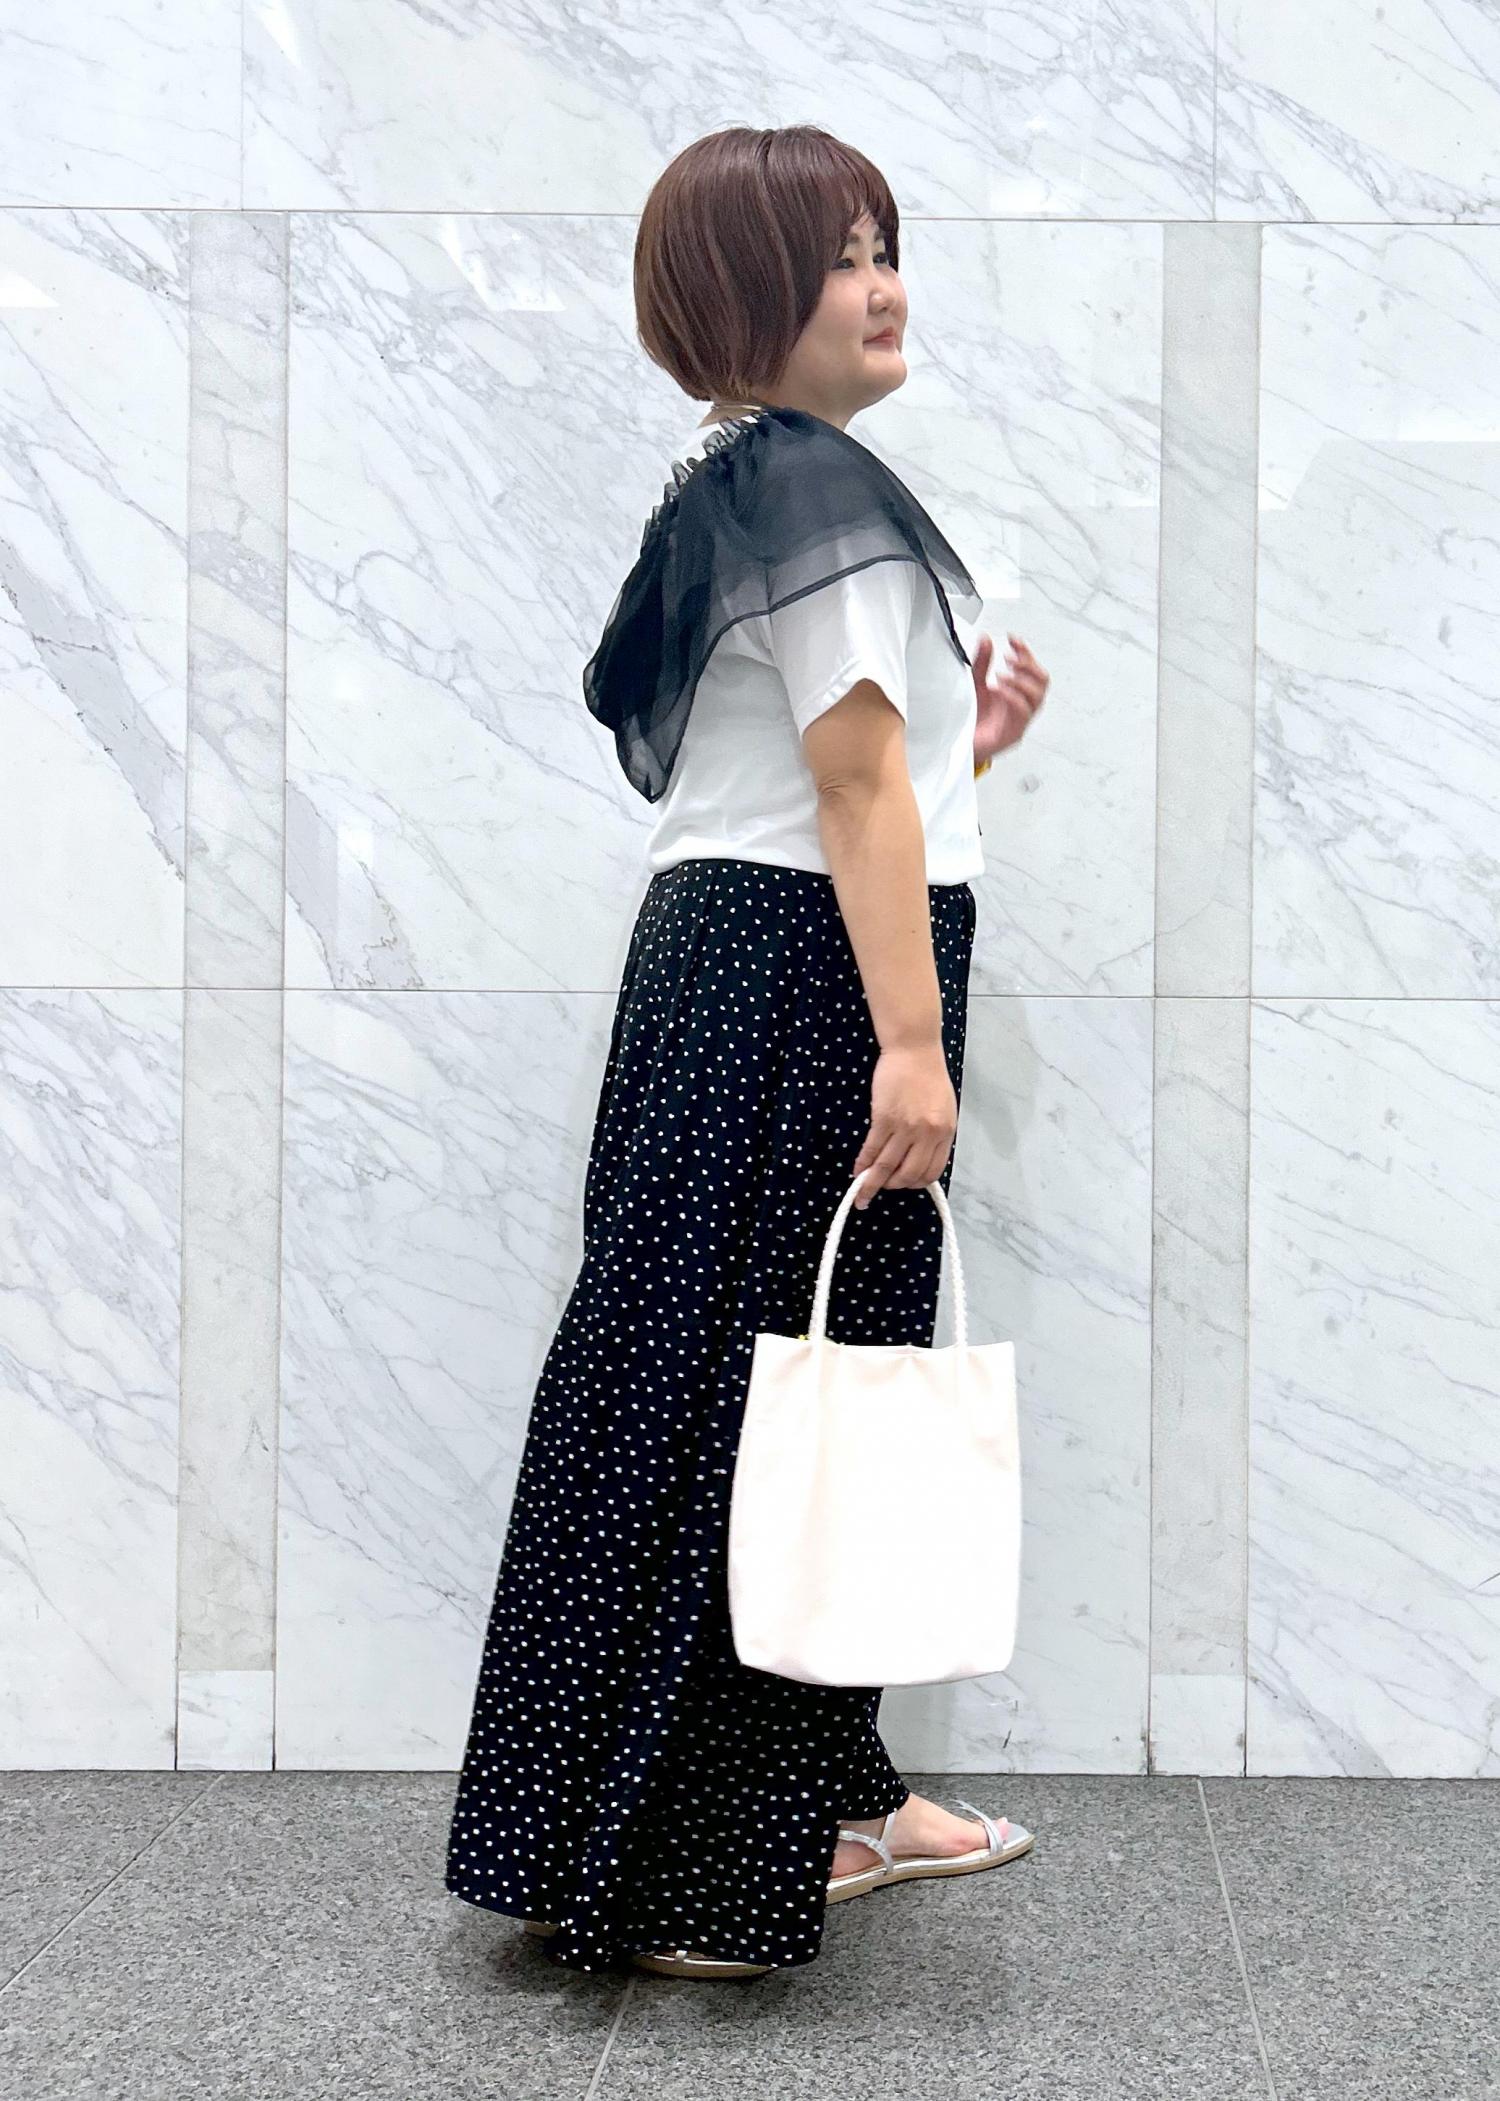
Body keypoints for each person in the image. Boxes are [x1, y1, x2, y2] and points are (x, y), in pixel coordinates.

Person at [444, 123, 1050, 1982]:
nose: (881, 284)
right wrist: (913, 1039)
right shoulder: (819, 488)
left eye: (883, 245)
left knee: (721, 1376)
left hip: (728, 963)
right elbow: (851, 788)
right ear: (741, 296)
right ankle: (712, 1869)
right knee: (791, 1393)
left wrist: (966, 750)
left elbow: (817, 770)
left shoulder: (733, 481)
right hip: (805, 980)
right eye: (837, 256)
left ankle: (793, 1803)